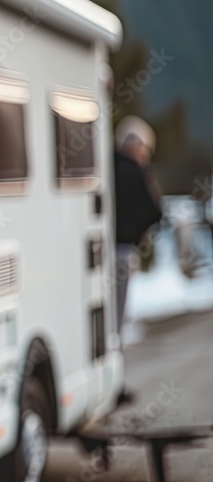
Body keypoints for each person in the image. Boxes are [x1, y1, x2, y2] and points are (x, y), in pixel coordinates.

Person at [113, 115, 163, 339]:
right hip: (122, 250)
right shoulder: (134, 172)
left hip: (102, 251)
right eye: (145, 149)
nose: (145, 156)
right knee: (117, 315)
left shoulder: (108, 166)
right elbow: (153, 211)